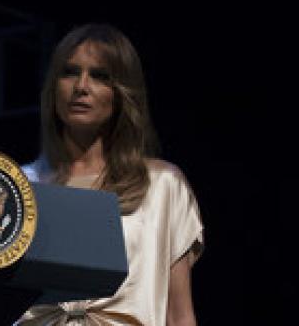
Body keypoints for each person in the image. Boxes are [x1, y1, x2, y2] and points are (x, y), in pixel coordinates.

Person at [17, 24, 203, 325]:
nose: (81, 86)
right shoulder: (22, 186)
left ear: (122, 92)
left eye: (99, 76)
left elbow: (179, 314)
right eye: (70, 72)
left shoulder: (161, 186)